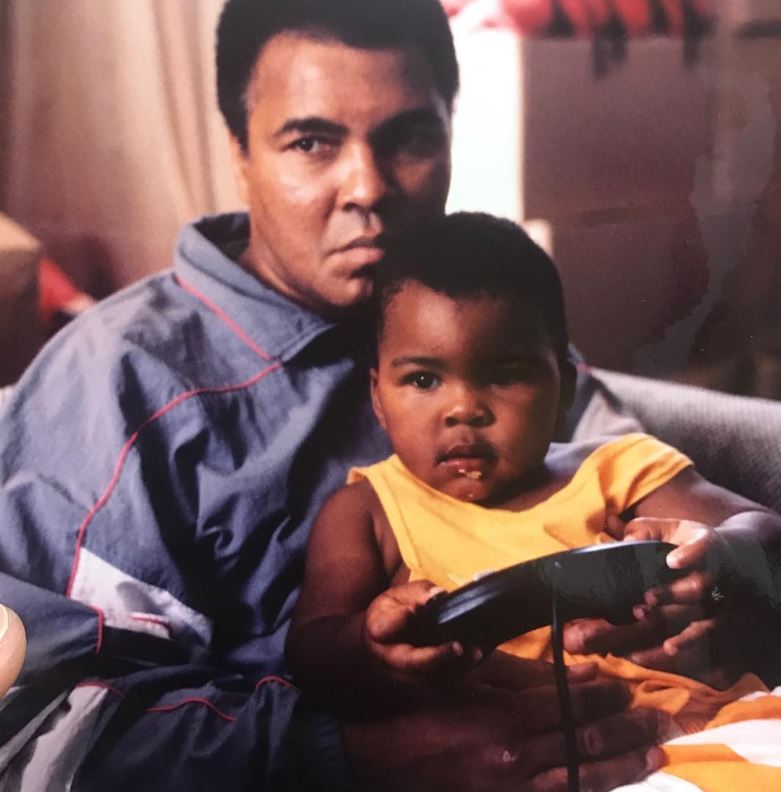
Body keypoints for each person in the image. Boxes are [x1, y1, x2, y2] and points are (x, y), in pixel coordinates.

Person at [0, 1, 693, 789]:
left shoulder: (492, 327)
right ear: (238, 151)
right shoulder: (119, 387)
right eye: (311, 142)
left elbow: (652, 508)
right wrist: (348, 756)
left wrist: (697, 598)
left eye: (410, 139)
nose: (367, 187)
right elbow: (30, 722)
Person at [287, 212, 781, 789]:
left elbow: (766, 529)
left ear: (563, 388)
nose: (463, 408)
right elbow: (313, 650)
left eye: (503, 375)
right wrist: (371, 645)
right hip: (569, 765)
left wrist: (721, 556)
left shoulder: (619, 468)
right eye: (423, 380)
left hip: (731, 725)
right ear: (377, 396)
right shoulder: (369, 512)